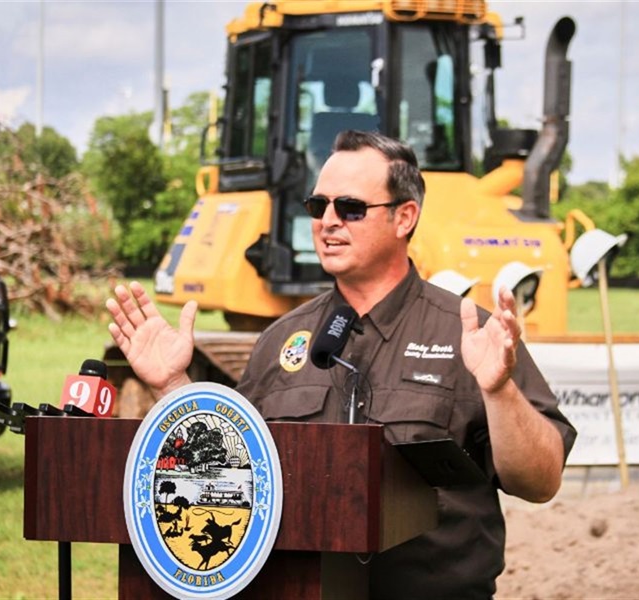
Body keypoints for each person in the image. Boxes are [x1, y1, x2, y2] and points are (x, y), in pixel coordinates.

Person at [107, 130, 576, 599]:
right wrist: (173, 386)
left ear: (404, 217)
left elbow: (540, 481)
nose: (328, 222)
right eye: (318, 206)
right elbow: (235, 475)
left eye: (350, 208)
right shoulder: (279, 343)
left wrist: (498, 390)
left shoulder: (468, 335)